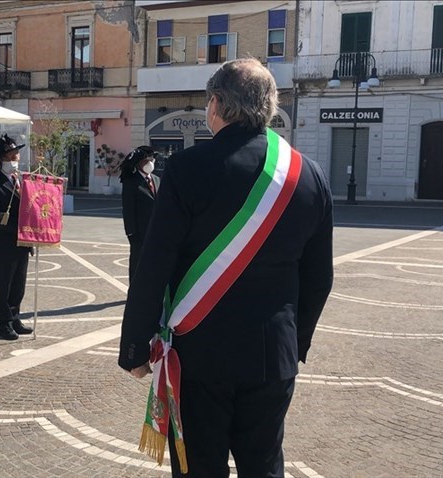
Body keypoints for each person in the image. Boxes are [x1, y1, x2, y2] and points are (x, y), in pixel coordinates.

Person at [118, 58, 333, 477]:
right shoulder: (310, 176)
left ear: (215, 104)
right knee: (264, 465)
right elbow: (320, 278)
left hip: (201, 356)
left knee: (199, 467)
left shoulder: (186, 167)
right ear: (269, 107)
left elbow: (154, 264)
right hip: (274, 357)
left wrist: (134, 347)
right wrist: (294, 342)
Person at [0, 134, 34, 340]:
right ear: (1, 160)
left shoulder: (21, 180)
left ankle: (14, 317)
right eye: (12, 155)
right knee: (3, 286)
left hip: (21, 244)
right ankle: (3, 324)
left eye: (17, 155)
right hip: (2, 245)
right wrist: (18, 227)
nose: (16, 159)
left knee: (18, 286)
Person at [120, 145, 160, 280]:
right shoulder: (131, 182)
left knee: (154, 262)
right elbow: (128, 208)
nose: (150, 163)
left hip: (156, 230)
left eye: (152, 160)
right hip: (139, 231)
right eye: (146, 160)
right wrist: (131, 232)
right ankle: (134, 290)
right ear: (139, 163)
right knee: (137, 262)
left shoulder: (156, 179)